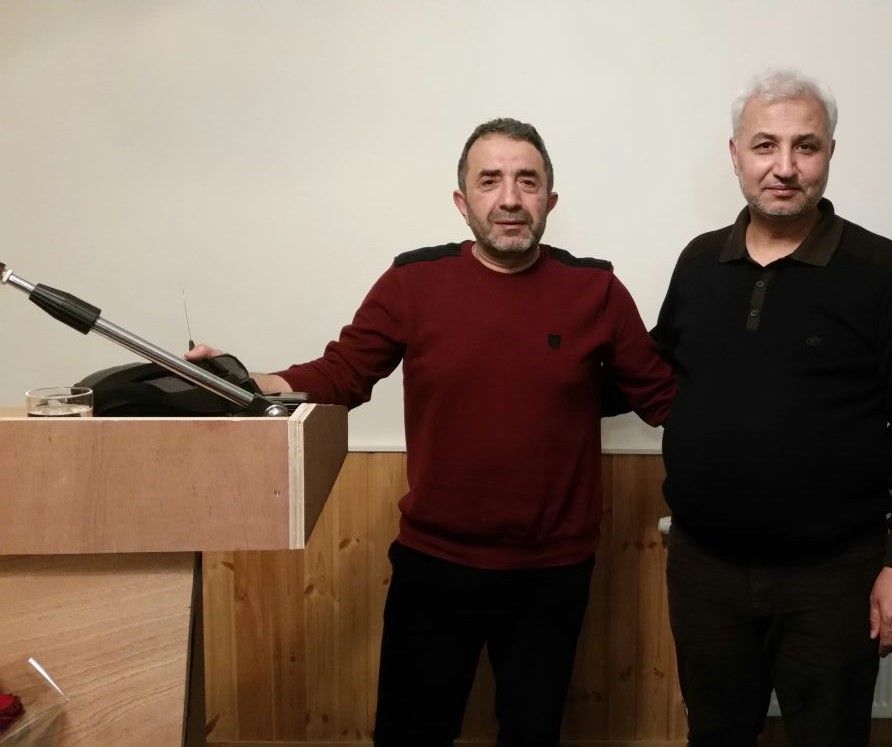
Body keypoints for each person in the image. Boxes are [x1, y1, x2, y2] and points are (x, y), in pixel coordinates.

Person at [191, 118, 674, 746]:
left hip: (553, 571)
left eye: (527, 182)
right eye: (489, 181)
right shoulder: (412, 283)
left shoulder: (597, 290)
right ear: (461, 202)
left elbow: (662, 395)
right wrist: (243, 382)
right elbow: (342, 373)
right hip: (436, 565)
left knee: (532, 735)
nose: (509, 198)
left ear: (550, 200)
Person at [651, 70, 892, 746]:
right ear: (735, 154)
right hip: (705, 570)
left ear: (830, 154)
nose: (784, 167)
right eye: (765, 145)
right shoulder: (699, 264)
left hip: (833, 578)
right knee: (716, 736)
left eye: (805, 146)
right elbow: (651, 371)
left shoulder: (883, 272)